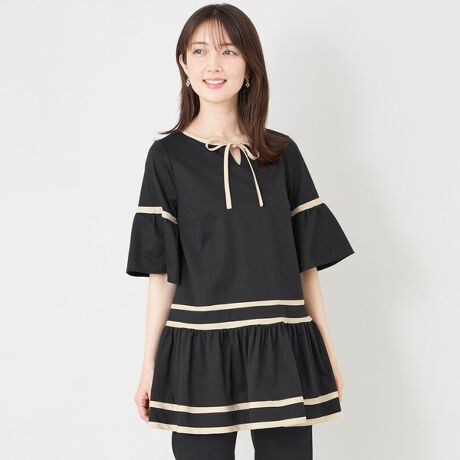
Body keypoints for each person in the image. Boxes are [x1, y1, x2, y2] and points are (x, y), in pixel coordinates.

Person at [126, 4, 355, 459]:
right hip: (200, 350)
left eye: (229, 51)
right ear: (184, 64)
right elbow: (162, 274)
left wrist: (327, 352)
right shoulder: (167, 158)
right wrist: (148, 365)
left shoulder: (282, 154)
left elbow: (306, 267)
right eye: (200, 51)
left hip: (281, 346)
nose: (213, 64)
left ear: (249, 66)